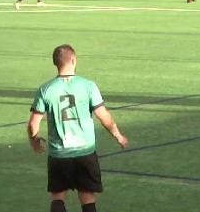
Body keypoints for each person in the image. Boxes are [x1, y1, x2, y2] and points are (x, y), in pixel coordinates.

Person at [28, 45, 128, 212]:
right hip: (85, 153)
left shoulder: (45, 89)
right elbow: (103, 116)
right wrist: (118, 135)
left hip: (59, 154)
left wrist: (34, 141)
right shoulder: (88, 86)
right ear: (73, 60)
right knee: (87, 198)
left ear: (55, 63)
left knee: (57, 197)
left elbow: (33, 124)